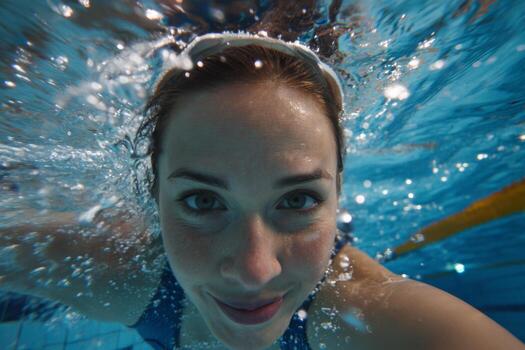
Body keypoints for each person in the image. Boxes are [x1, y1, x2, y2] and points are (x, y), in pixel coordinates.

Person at [1, 32, 524, 350]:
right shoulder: (126, 275)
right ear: (152, 195)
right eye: (202, 201)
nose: (256, 271)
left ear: (338, 194)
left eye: (298, 200)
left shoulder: (359, 312)